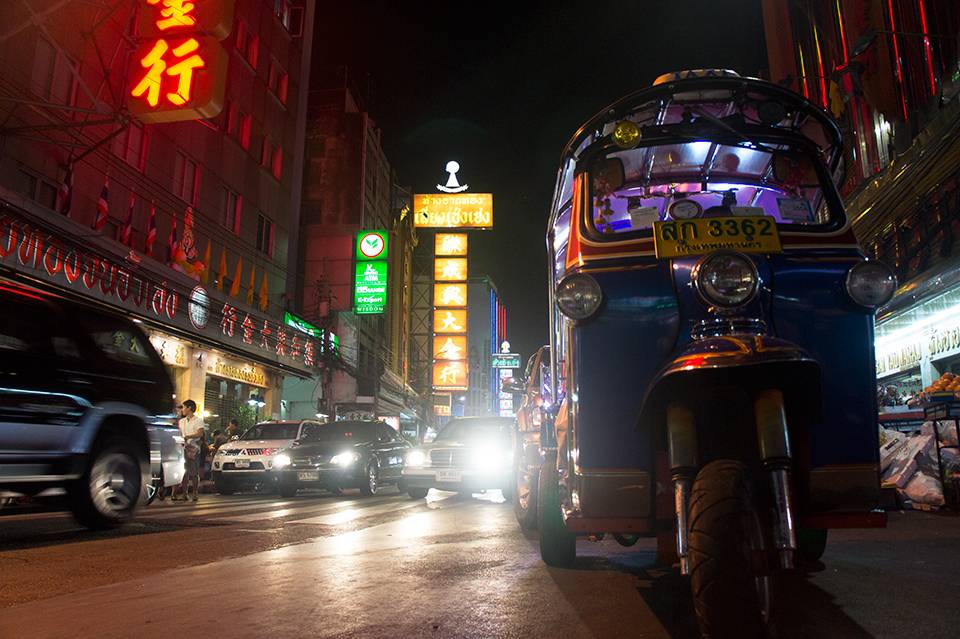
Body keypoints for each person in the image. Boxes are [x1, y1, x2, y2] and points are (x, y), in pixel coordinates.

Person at [172, 399, 205, 502]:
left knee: (194, 473)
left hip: (194, 449)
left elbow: (200, 434)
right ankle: (184, 493)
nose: (182, 410)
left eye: (184, 407)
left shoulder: (198, 420)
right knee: (184, 472)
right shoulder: (181, 421)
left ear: (189, 408)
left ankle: (195, 493)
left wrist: (188, 437)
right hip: (182, 449)